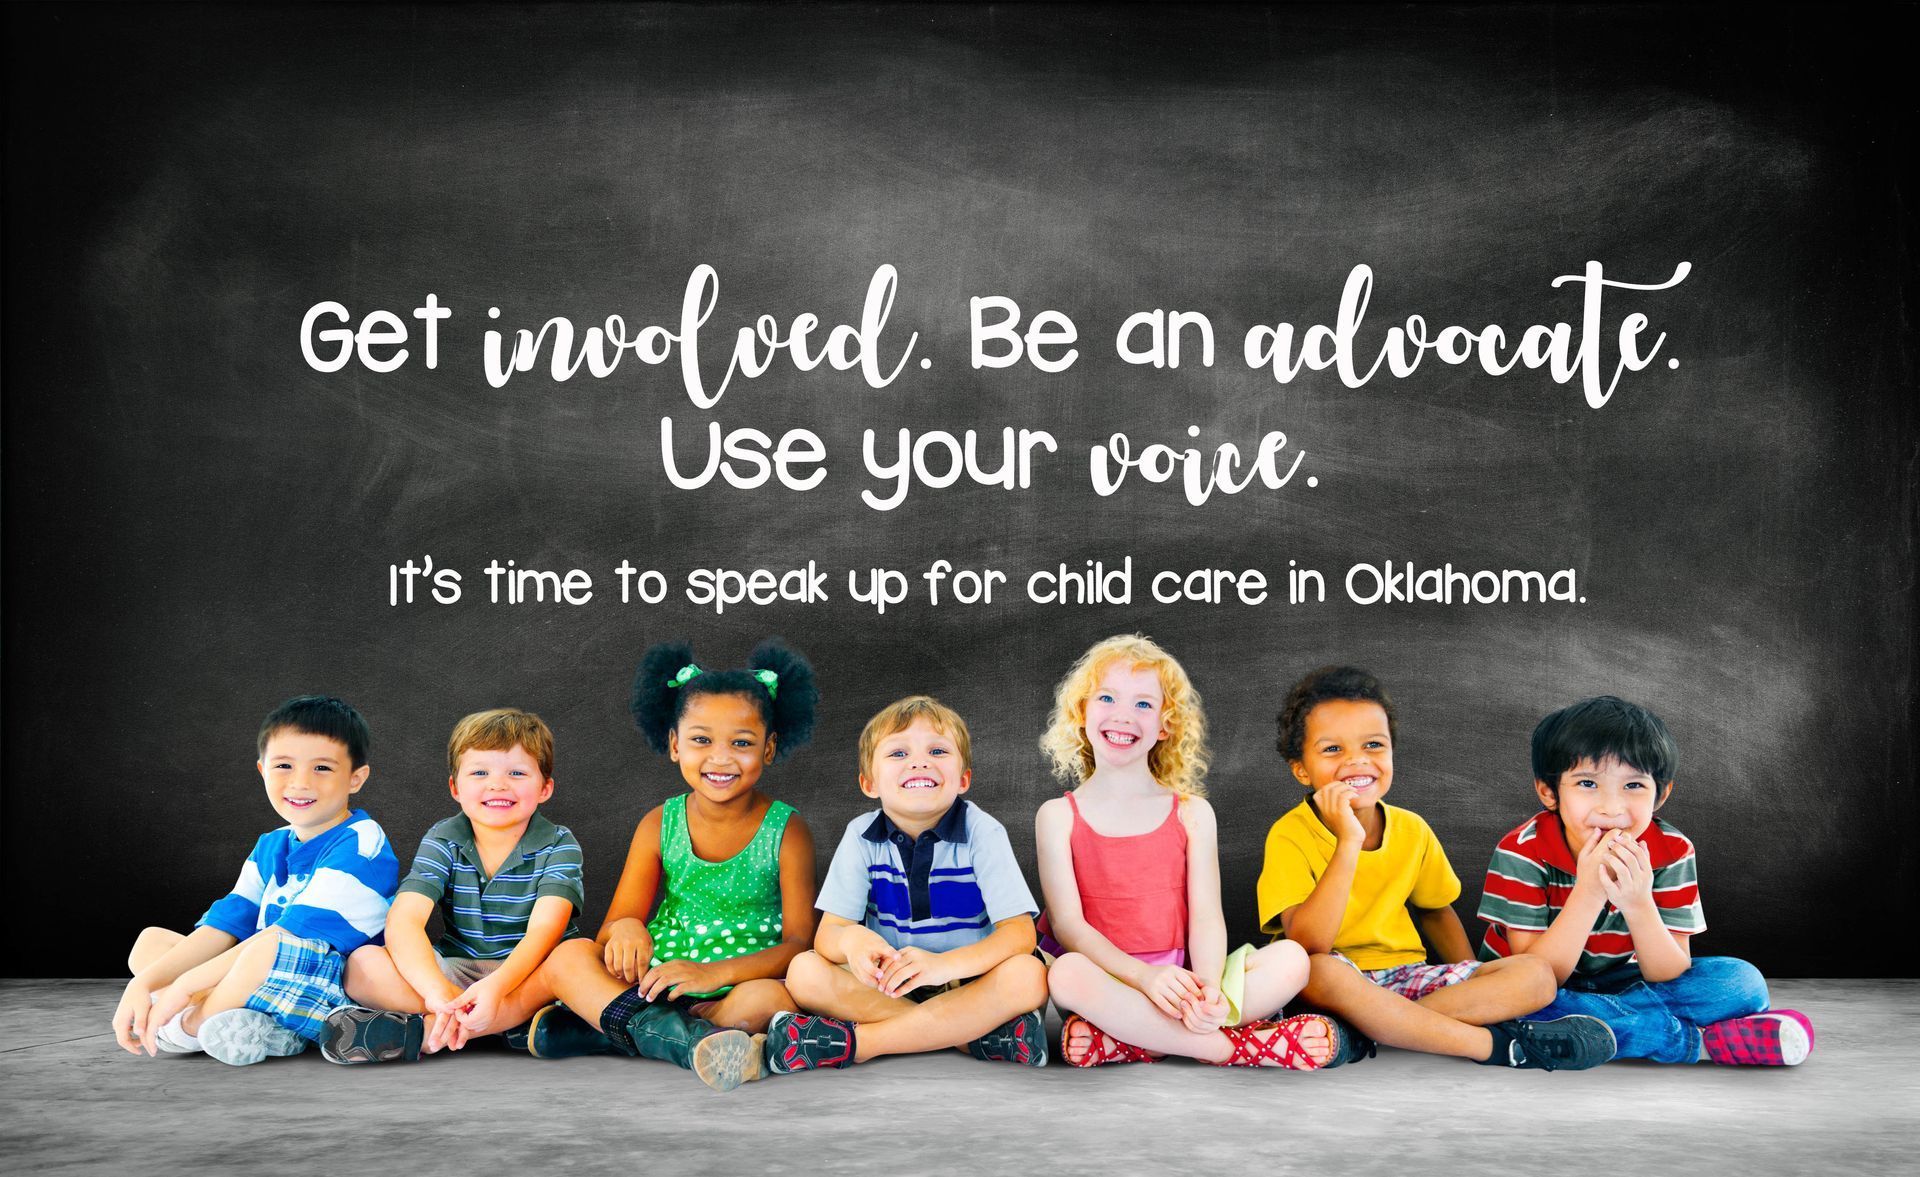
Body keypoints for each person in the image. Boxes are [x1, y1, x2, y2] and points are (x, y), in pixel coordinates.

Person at [1264, 665, 1615, 1070]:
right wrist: (1348, 842)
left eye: (1374, 745)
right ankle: (1491, 1045)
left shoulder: (1412, 829)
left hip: (1406, 978)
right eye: (1332, 750)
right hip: (1336, 982)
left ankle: (1372, 1030)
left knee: (1536, 976)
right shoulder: (1289, 834)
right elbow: (1309, 945)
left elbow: (1435, 911)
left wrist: (1474, 977)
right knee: (1317, 970)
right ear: (1301, 769)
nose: (1357, 762)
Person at [1038, 635, 1354, 1069]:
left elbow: (1206, 916)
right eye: (1107, 697)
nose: (1123, 716)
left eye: (1144, 705)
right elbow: (1068, 926)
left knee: (1293, 959)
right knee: (1064, 973)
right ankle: (1234, 1049)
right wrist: (1146, 978)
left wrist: (1206, 989)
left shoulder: (1192, 813)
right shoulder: (1057, 816)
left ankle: (1136, 1043)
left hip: (1184, 982)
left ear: (1166, 725)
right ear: (1082, 711)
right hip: (1109, 981)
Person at [527, 639, 819, 1092]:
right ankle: (689, 1042)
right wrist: (626, 929)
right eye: (701, 740)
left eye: (741, 743)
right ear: (674, 744)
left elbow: (800, 944)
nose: (720, 758)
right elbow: (614, 927)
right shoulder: (659, 823)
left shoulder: (787, 829)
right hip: (659, 977)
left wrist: (713, 974)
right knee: (571, 955)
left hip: (740, 979)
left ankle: (616, 1031)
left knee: (770, 1000)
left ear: (768, 747)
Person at [1478, 695, 1813, 1065]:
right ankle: (1686, 1040)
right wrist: (1588, 893)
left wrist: (1639, 904)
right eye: (1587, 783)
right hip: (1535, 989)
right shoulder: (1523, 851)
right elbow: (1536, 974)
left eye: (1633, 786)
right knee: (1511, 1005)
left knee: (1742, 984)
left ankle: (1590, 1028)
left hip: (1621, 982)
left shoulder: (1672, 850)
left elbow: (1668, 971)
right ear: (1549, 792)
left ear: (1661, 794)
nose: (1612, 808)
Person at [111, 695, 398, 1065]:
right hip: (257, 971)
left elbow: (287, 937)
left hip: (327, 987)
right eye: (283, 765)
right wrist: (143, 983)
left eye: (322, 769)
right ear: (262, 770)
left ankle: (190, 1027)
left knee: (263, 948)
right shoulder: (271, 844)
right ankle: (250, 1023)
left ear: (355, 778)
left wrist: (184, 986)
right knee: (150, 943)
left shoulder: (362, 841)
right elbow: (225, 926)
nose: (300, 783)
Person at [773, 695, 1050, 1071]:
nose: (920, 761)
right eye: (898, 754)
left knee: (1028, 975)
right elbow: (829, 935)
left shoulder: (983, 832)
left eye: (937, 750)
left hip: (968, 980)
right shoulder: (861, 836)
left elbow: (1019, 934)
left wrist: (944, 966)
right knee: (804, 973)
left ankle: (862, 1043)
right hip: (888, 985)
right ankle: (970, 1037)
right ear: (869, 783)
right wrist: (853, 941)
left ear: (963, 778)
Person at [321, 708, 588, 1063]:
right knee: (362, 963)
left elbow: (544, 932)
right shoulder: (444, 837)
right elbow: (405, 921)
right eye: (480, 772)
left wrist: (496, 987)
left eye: (517, 773)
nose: (497, 784)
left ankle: (430, 1032)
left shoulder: (558, 844)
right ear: (455, 788)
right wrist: (439, 993)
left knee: (580, 956)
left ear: (545, 788)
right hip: (458, 970)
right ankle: (481, 1023)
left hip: (530, 972)